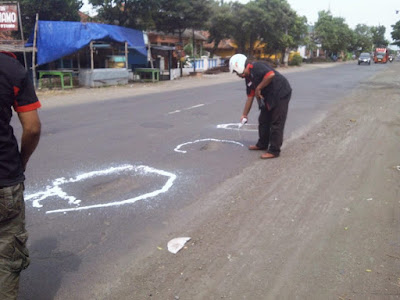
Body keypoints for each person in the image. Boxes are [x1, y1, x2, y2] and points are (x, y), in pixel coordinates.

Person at [0, 51, 41, 299]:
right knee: (6, 259)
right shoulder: (10, 68)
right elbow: (33, 128)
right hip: (4, 177)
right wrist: (22, 161)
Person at [229, 54, 292, 159]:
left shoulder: (256, 66)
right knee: (263, 120)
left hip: (281, 92)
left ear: (238, 66)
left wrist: (258, 87)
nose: (237, 75)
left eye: (235, 72)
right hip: (268, 96)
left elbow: (270, 75)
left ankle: (274, 150)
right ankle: (262, 144)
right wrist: (244, 114)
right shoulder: (248, 78)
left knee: (276, 122)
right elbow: (250, 97)